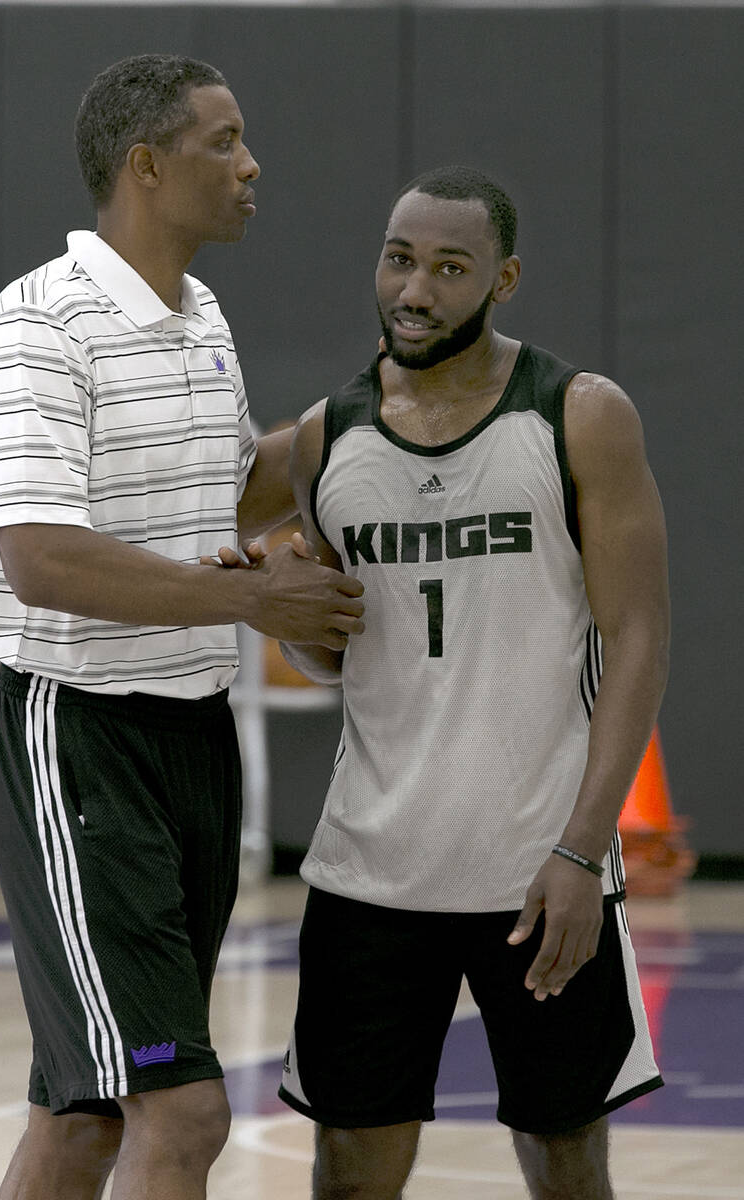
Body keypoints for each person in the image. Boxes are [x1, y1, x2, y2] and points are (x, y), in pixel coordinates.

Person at [0, 54, 364, 1200]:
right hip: (77, 739)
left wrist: (377, 413)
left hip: (192, 735)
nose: (250, 165)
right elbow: (41, 561)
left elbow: (220, 503)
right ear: (146, 166)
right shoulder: (41, 326)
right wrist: (254, 600)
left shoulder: (200, 317)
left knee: (80, 1117)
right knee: (177, 1114)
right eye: (222, 141)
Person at [270, 165, 670, 1199]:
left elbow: (634, 639)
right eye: (399, 260)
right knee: (350, 1172)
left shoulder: (578, 414)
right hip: (369, 871)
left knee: (566, 1163)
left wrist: (584, 850)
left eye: (449, 268)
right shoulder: (326, 436)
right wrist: (287, 605)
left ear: (502, 281)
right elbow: (332, 651)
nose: (414, 289)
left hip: (538, 870)